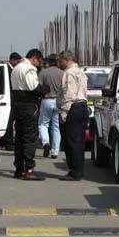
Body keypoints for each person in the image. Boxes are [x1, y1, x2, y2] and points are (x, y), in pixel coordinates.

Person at [10, 49, 48, 180]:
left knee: (19, 138)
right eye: (39, 61)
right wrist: (45, 90)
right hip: (28, 106)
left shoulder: (16, 68)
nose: (38, 65)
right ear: (34, 58)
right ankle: (29, 169)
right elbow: (34, 87)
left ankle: (19, 168)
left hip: (16, 105)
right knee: (30, 137)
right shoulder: (29, 69)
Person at [57, 50, 88, 181]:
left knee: (71, 141)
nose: (60, 63)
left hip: (73, 108)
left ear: (65, 59)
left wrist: (64, 113)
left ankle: (74, 171)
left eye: (60, 60)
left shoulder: (69, 73)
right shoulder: (81, 72)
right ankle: (79, 169)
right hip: (82, 106)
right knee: (79, 141)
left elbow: (69, 94)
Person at [37, 54, 63, 159]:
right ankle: (55, 151)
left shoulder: (44, 73)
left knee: (43, 124)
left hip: (47, 100)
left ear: (48, 63)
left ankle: (46, 142)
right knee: (56, 127)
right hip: (58, 101)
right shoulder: (62, 73)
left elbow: (38, 86)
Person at [0, 52, 22, 151]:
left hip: (10, 98)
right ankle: (9, 143)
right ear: (12, 60)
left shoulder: (12, 70)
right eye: (17, 61)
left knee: (8, 121)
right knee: (8, 121)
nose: (18, 63)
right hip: (7, 99)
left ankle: (4, 141)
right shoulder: (5, 69)